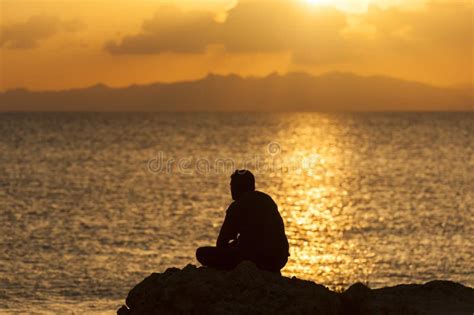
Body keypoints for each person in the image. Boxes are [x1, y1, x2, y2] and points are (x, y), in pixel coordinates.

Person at [196, 170, 289, 274]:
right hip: (279, 258)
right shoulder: (267, 199)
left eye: (232, 185)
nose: (230, 188)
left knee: (201, 253)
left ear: (238, 187)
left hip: (255, 258)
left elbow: (222, 241)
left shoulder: (237, 206)